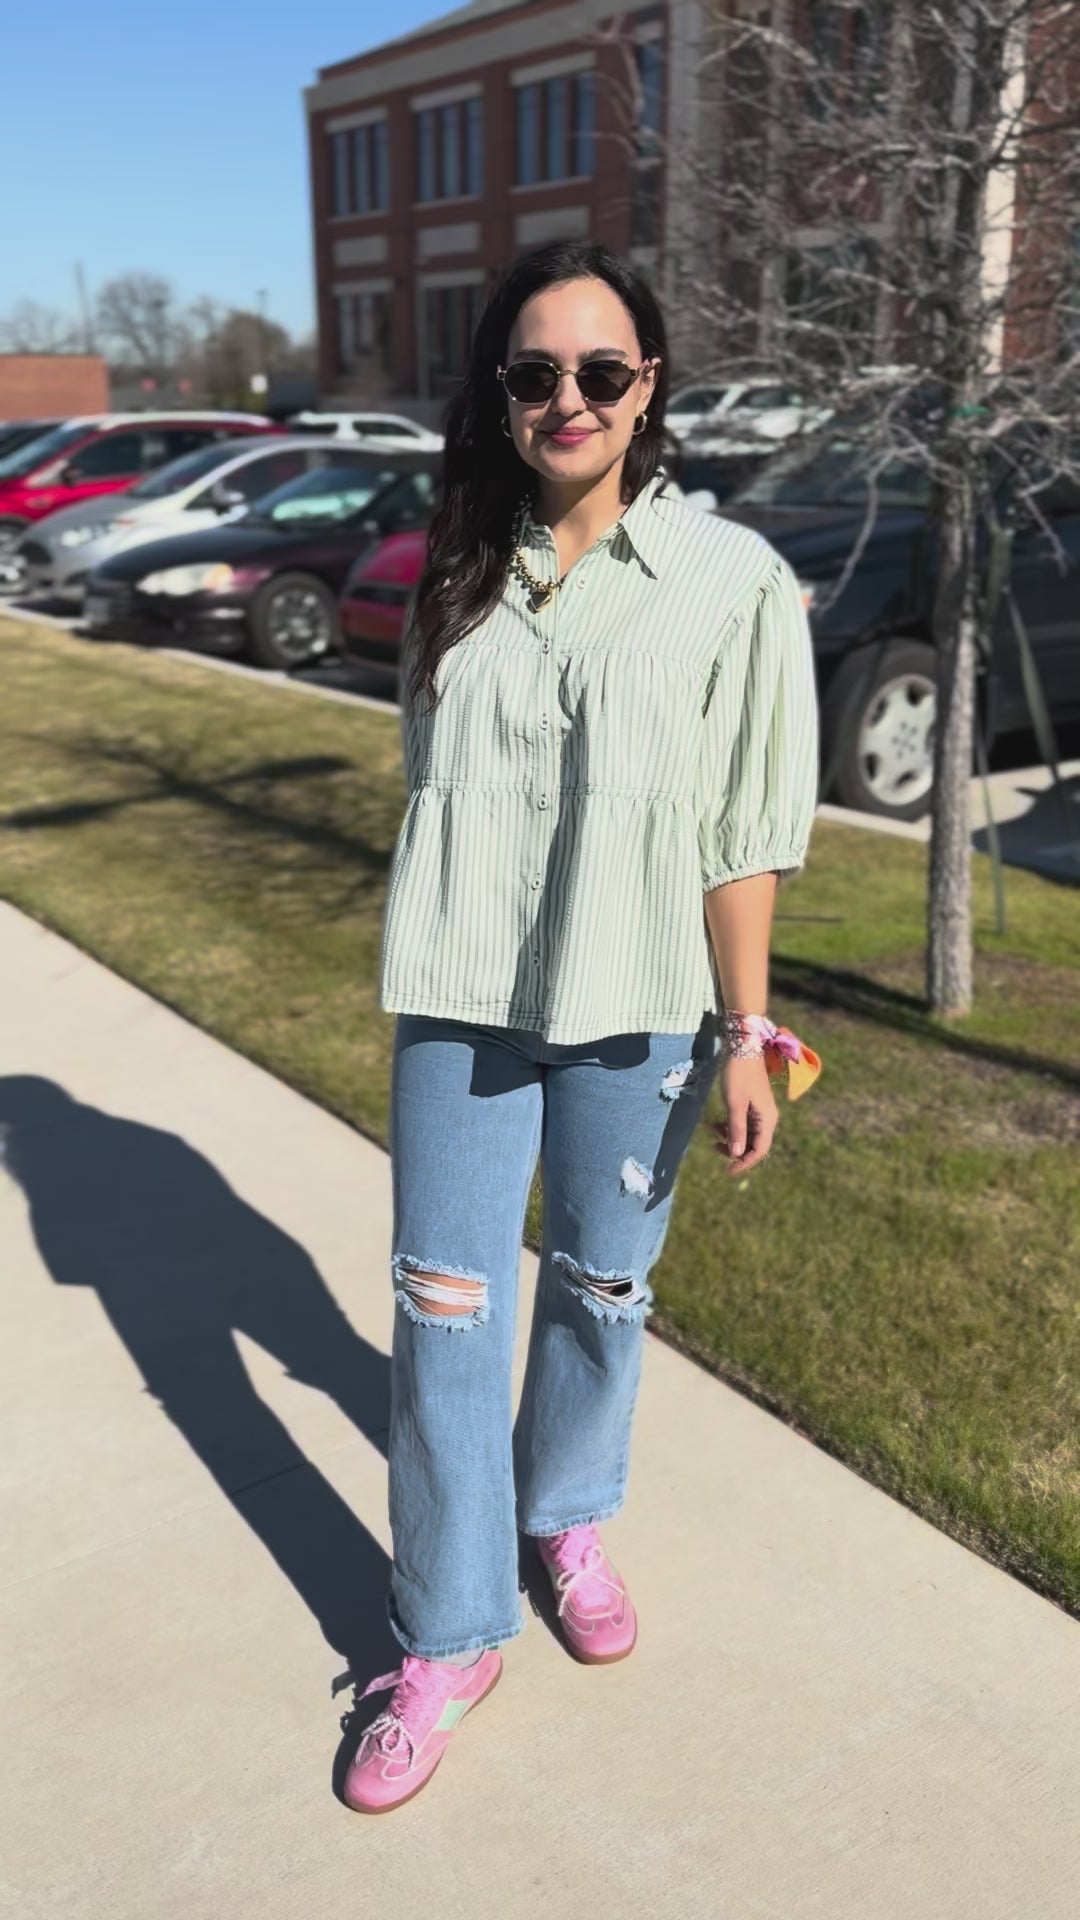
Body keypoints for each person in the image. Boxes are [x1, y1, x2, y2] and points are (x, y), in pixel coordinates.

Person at [344, 240, 820, 1815]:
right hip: (462, 1004)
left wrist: (747, 1030)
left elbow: (743, 830)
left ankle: (564, 1513)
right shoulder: (454, 565)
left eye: (601, 370)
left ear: (648, 385)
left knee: (604, 1290)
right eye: (536, 371)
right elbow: (430, 782)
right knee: (444, 1310)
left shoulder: (731, 582)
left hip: (641, 1007)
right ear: (500, 392)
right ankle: (448, 1632)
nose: (569, 398)